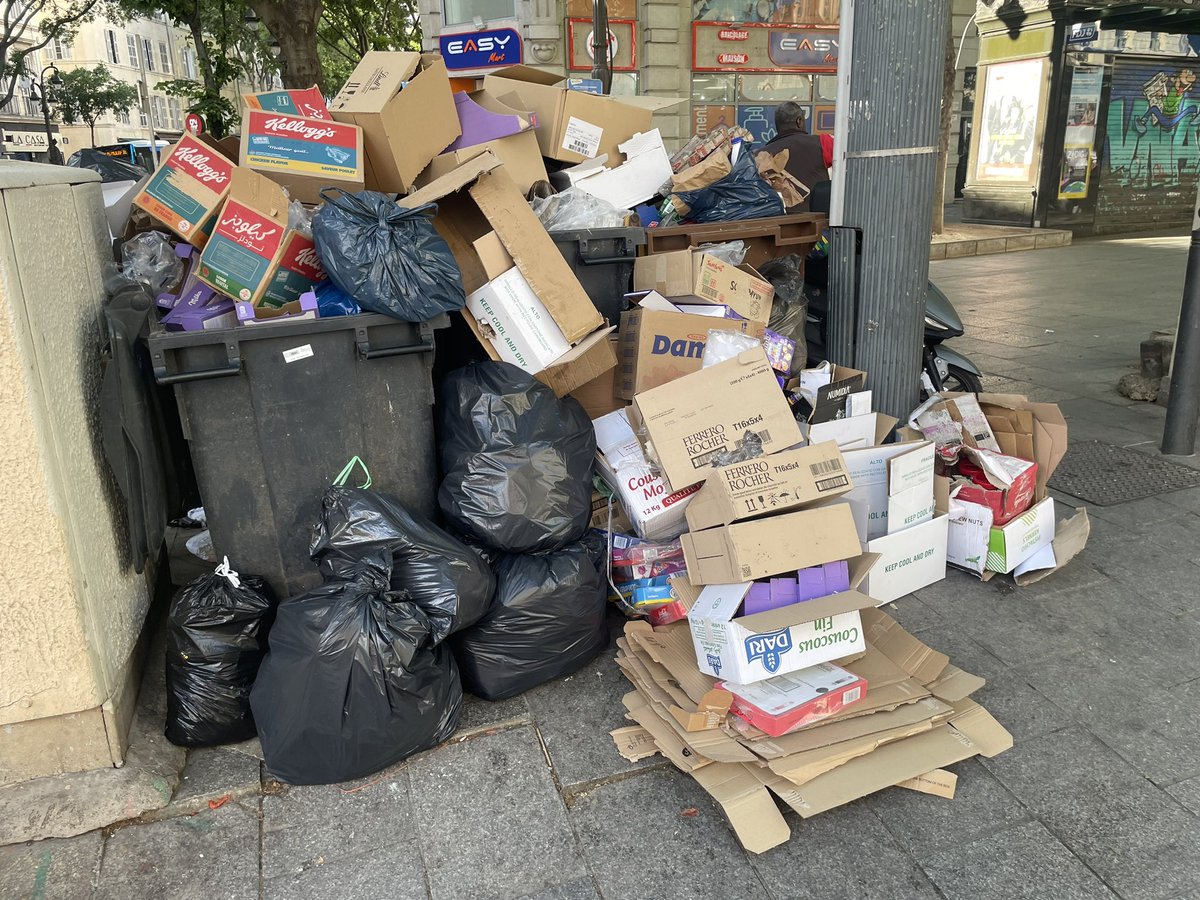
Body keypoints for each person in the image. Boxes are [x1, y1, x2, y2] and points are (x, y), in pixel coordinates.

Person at [762, 102, 830, 213]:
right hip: (820, 221)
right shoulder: (822, 142)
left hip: (781, 223)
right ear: (799, 121)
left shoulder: (762, 154)